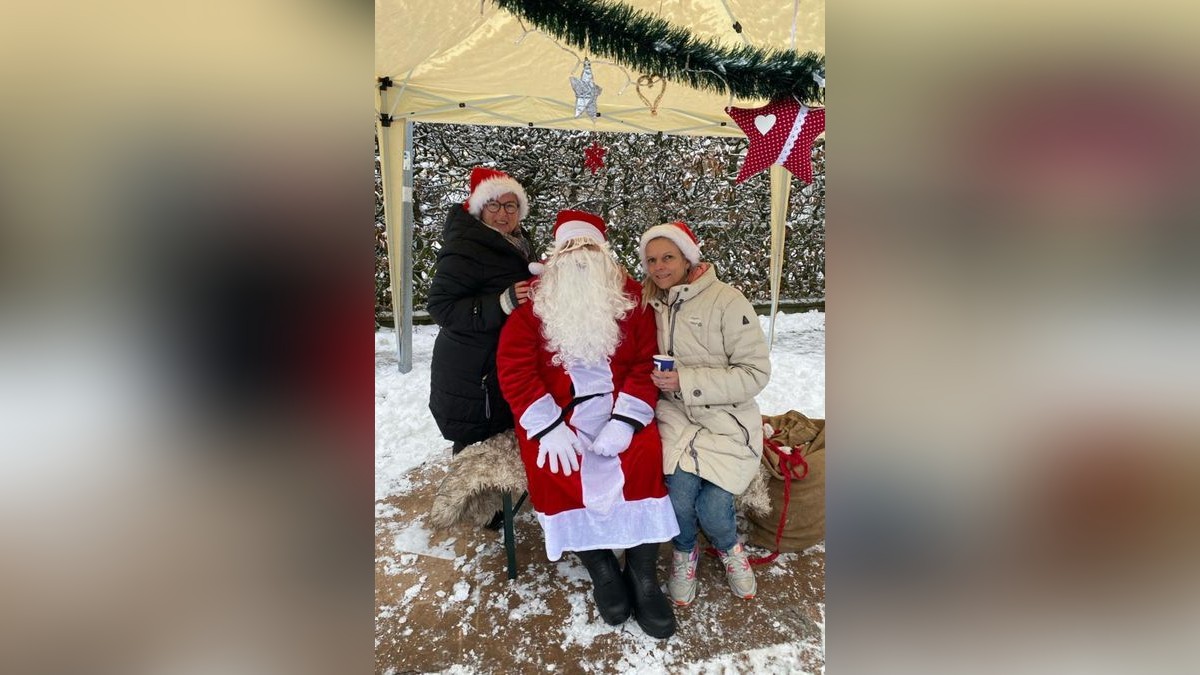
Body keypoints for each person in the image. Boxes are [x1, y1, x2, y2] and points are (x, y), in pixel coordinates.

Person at [497, 210, 678, 639]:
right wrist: (547, 426)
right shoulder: (531, 312)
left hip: (621, 407)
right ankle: (600, 567)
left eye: (589, 247)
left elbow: (642, 363)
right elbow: (515, 371)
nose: (580, 257)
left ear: (605, 255)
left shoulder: (630, 304)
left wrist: (626, 420)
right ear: (555, 257)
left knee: (644, 454)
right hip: (557, 415)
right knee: (556, 467)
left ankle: (642, 572)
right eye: (571, 248)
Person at [638, 221, 771, 605]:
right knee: (678, 500)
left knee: (712, 507)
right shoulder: (652, 303)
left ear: (687, 257)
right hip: (676, 420)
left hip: (727, 423)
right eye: (651, 260)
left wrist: (687, 380)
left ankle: (729, 548)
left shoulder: (728, 301)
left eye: (668, 257)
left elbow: (756, 373)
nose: (660, 267)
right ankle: (684, 552)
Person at [427, 166, 536, 458]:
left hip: (500, 369)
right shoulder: (466, 246)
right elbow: (441, 306)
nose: (503, 214)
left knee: (503, 461)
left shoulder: (518, 244)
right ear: (479, 208)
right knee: (476, 466)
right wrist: (501, 303)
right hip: (474, 379)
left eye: (511, 205)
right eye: (494, 205)